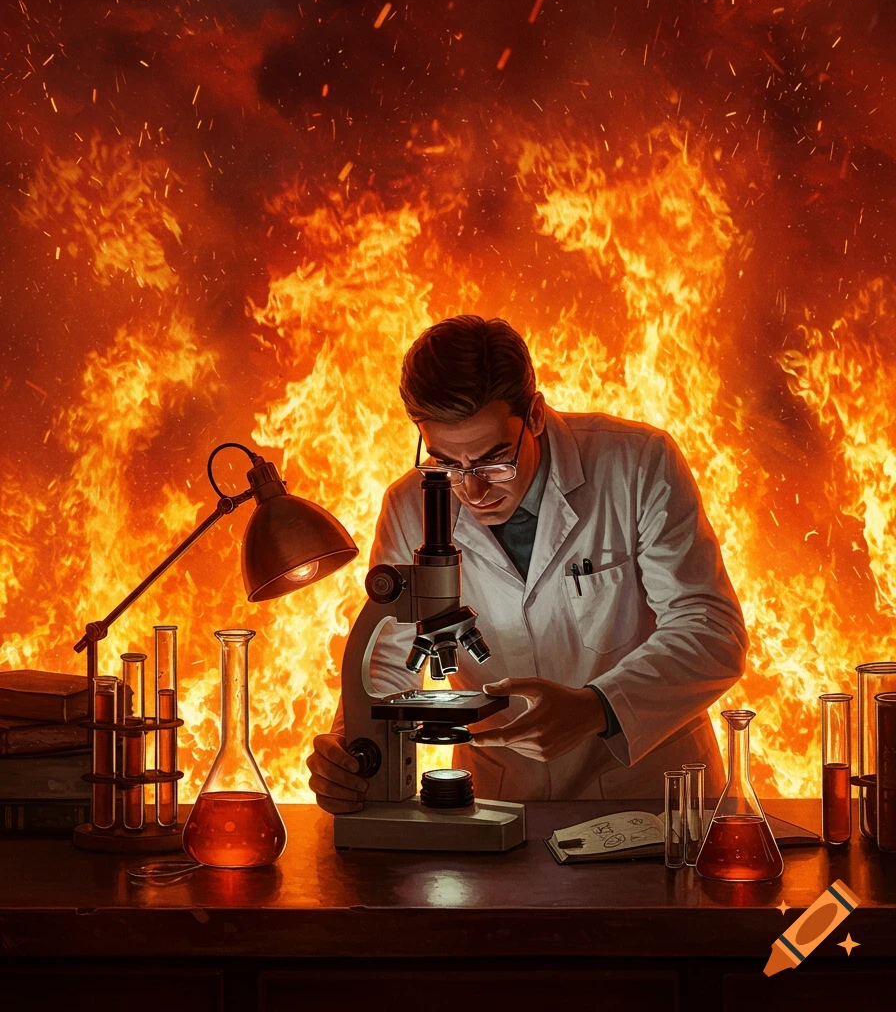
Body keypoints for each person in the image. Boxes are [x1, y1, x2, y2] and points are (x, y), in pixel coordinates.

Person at [307, 315, 748, 813]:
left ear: (535, 415)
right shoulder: (411, 505)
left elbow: (711, 630)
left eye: (495, 460)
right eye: (448, 463)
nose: (473, 489)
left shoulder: (637, 464)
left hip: (653, 794)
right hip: (499, 799)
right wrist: (349, 750)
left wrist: (598, 707)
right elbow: (389, 661)